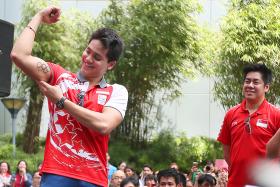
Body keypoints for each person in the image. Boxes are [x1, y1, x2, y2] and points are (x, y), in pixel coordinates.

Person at [11, 5, 128, 187]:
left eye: (97, 57)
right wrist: (39, 17)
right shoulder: (60, 77)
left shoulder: (117, 91)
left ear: (110, 64)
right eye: (87, 51)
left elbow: (104, 125)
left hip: (93, 179)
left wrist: (61, 101)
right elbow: (19, 55)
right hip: (56, 174)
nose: (88, 58)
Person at [217, 63, 280, 187]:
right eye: (247, 81)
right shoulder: (231, 114)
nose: (250, 85)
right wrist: (239, 172)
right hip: (235, 183)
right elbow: (227, 152)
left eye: (256, 82)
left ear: (266, 87)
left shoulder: (276, 115)